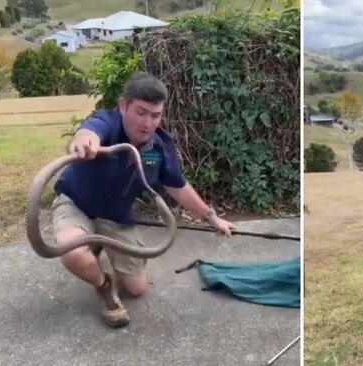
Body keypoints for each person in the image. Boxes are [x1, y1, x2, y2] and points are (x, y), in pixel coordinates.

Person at [52, 72, 236, 328]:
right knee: (72, 251)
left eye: (155, 114)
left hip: (116, 216)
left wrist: (212, 217)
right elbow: (89, 131)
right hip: (77, 203)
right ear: (123, 106)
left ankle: (97, 245)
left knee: (138, 288)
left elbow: (177, 186)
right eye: (141, 112)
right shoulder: (107, 123)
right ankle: (104, 287)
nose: (148, 122)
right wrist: (84, 140)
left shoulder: (159, 148)